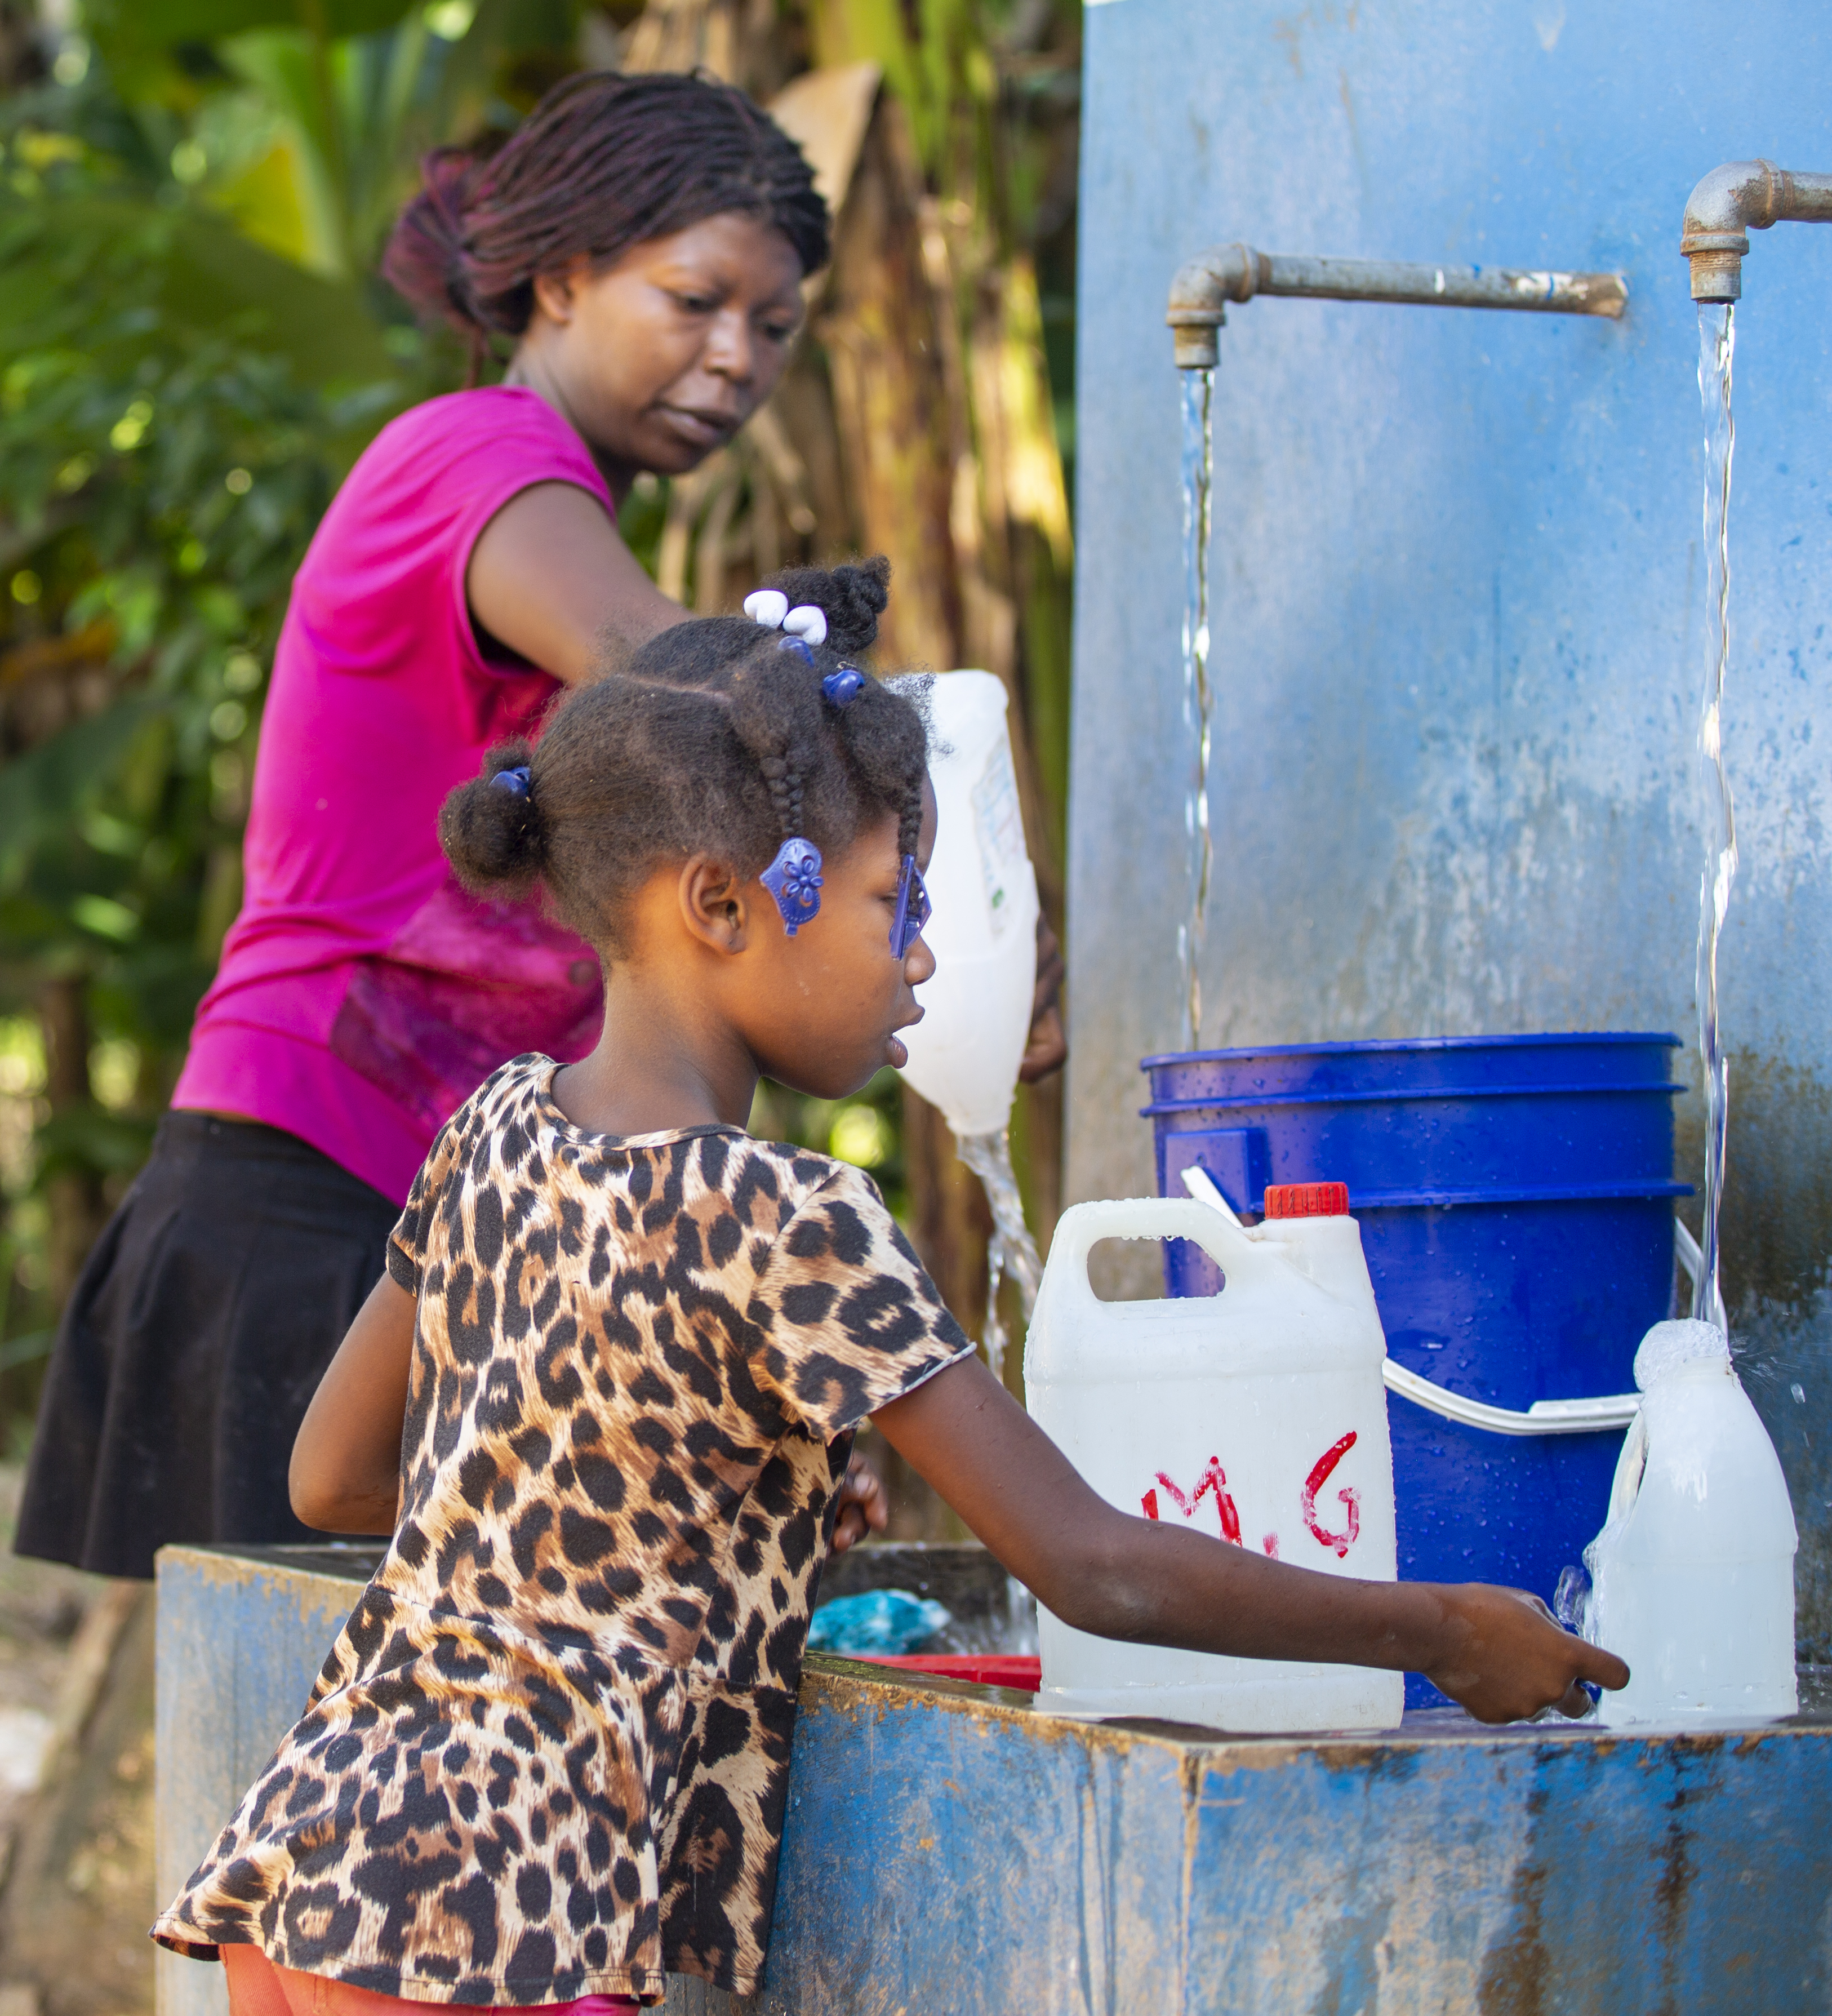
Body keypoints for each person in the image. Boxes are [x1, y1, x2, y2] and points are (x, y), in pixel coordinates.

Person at [150, 566, 1627, 2010]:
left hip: (319, 1857)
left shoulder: (489, 1122)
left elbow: (335, 1477)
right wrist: (1439, 1630)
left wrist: (701, 1496)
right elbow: (1092, 1567)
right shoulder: (792, 1216)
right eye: (888, 902)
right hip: (511, 1923)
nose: (924, 960)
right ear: (720, 905)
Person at [17, 72, 1062, 1579]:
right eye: (696, 300)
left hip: (446, 1214)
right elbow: (689, 685)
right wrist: (969, 904)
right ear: (562, 279)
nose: (736, 359)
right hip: (309, 1186)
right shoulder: (473, 459)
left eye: (772, 326)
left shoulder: (551, 494)